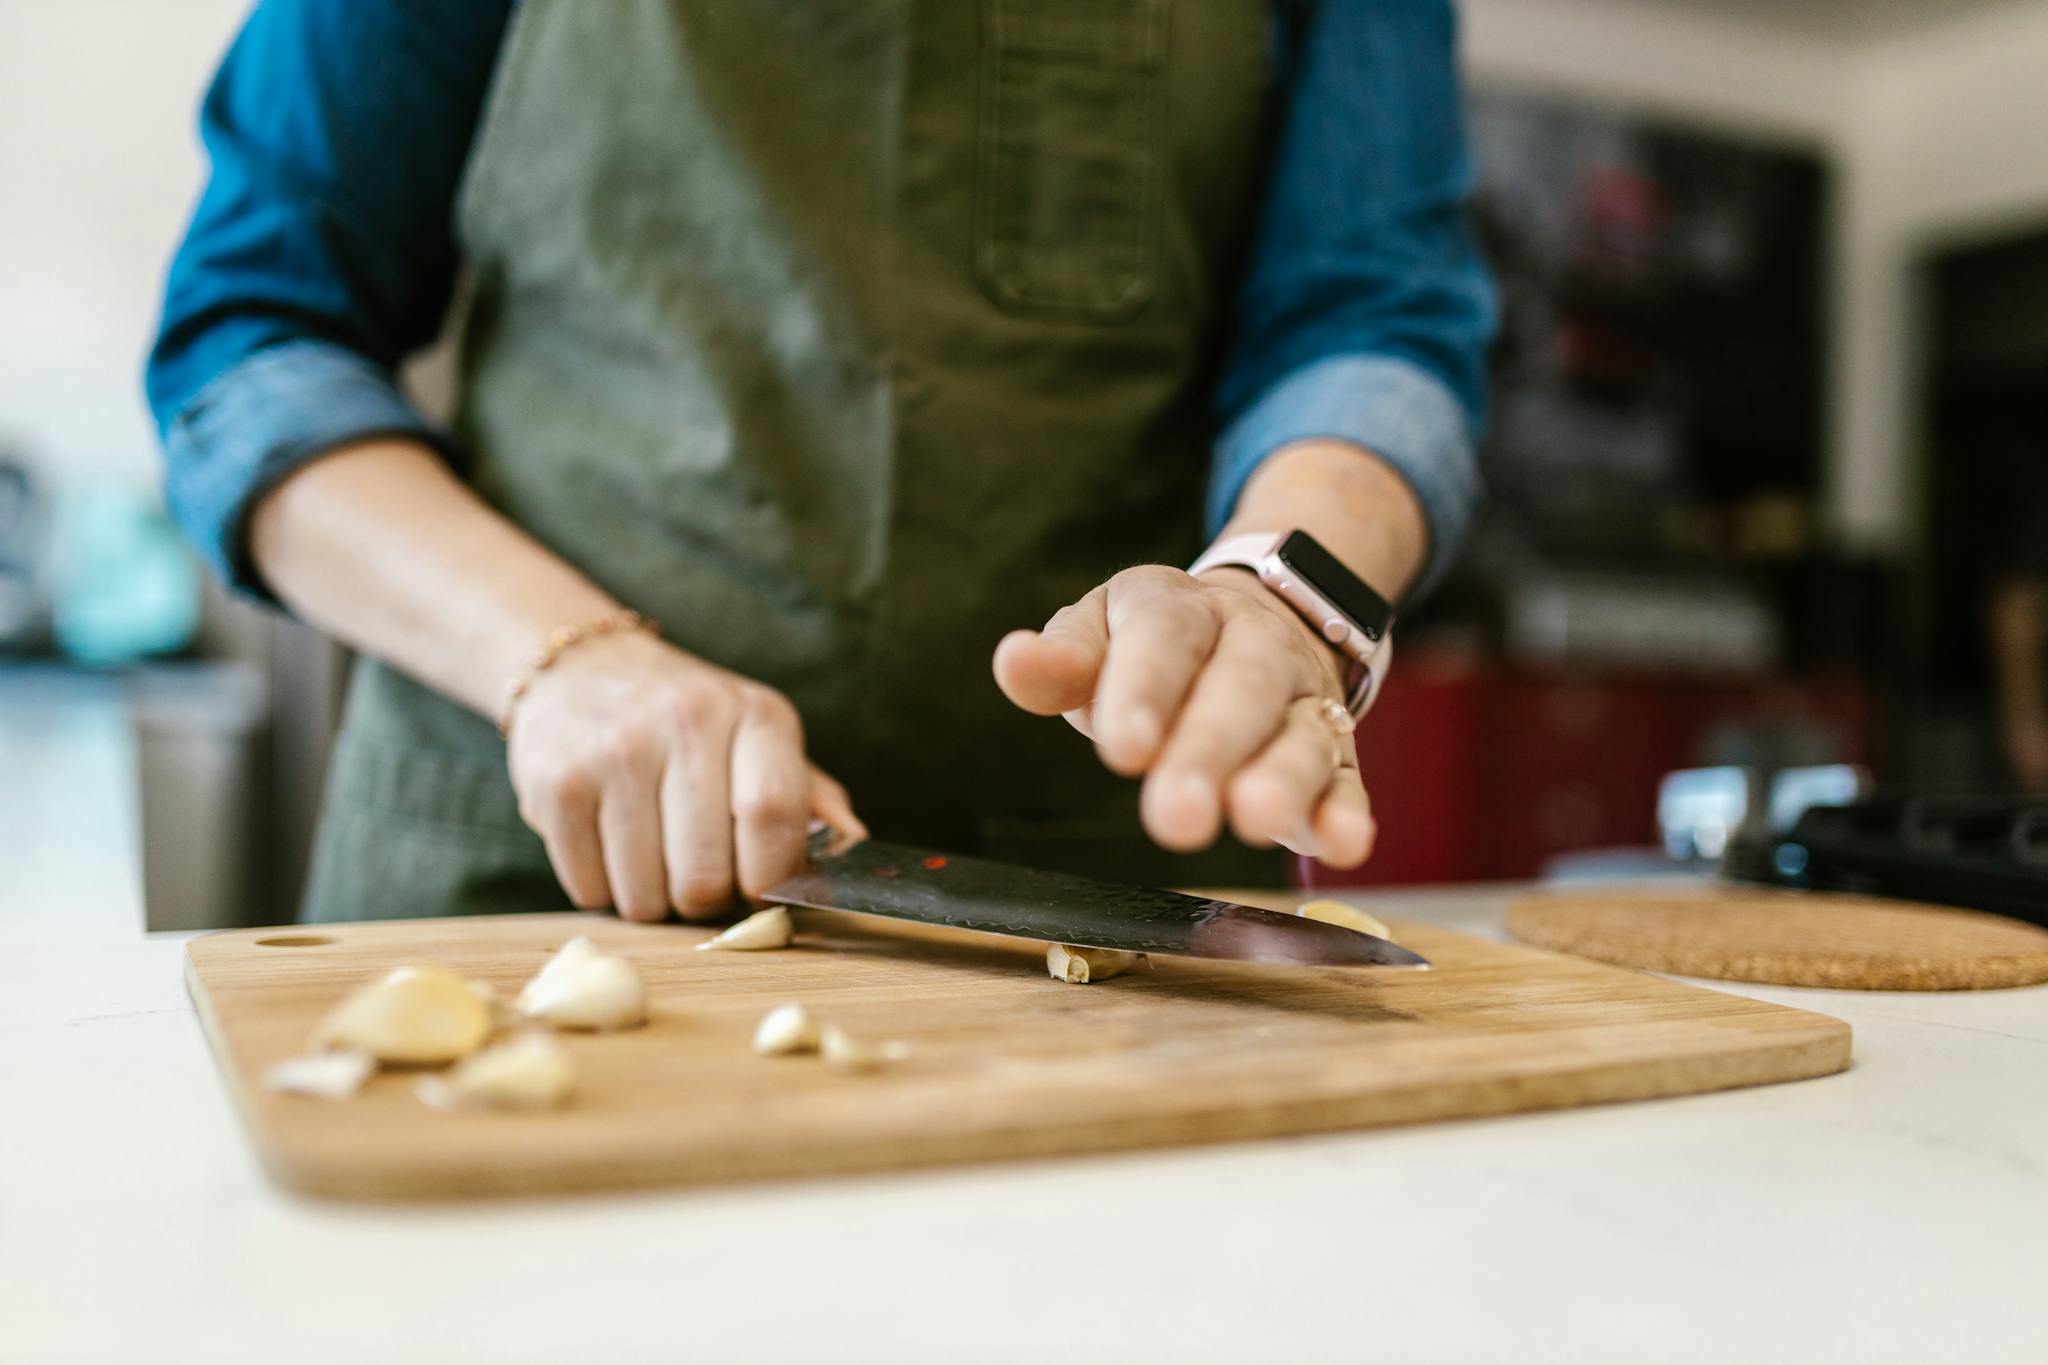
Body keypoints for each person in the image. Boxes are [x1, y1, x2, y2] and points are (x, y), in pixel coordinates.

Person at [147, 0, 1494, 923]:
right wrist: (562, 658)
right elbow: (253, 337)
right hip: (523, 874)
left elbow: (1371, 310)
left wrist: (1284, 592)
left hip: (1099, 898)